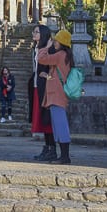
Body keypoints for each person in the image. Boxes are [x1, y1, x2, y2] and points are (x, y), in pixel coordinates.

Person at [37, 28, 74, 164]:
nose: (54, 42)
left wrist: (46, 47)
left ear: (61, 42)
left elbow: (41, 59)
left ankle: (65, 156)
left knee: (61, 126)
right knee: (59, 126)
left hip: (56, 95)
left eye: (56, 40)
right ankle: (63, 155)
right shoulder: (66, 55)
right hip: (57, 94)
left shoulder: (60, 55)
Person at [27, 24, 56, 161]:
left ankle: (52, 148)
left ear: (43, 34)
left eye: (37, 32)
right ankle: (47, 147)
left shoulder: (48, 50)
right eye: (34, 31)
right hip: (36, 86)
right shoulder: (36, 49)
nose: (34, 33)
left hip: (45, 88)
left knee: (47, 118)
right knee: (41, 119)